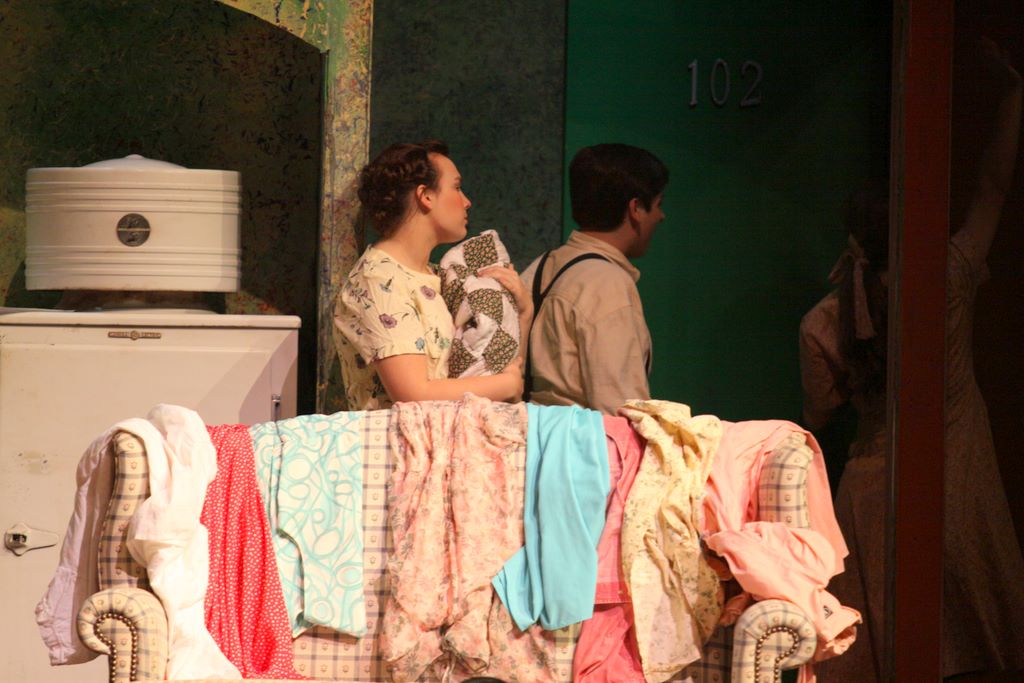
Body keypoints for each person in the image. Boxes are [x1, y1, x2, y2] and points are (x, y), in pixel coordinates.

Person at [801, 38, 1024, 681]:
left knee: (880, 658)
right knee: (973, 648)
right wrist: (1015, 92)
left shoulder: (823, 319)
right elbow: (993, 186)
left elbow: (820, 413)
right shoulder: (947, 278)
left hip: (873, 494)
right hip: (958, 479)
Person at [334, 141, 532, 410]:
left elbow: (497, 367)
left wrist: (523, 313)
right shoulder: (378, 279)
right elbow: (412, 393)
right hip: (399, 436)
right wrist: (504, 385)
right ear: (425, 196)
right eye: (457, 187)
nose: (467, 202)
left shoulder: (437, 276)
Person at [520, 143, 667, 415]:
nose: (661, 216)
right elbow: (621, 411)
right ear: (636, 208)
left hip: (533, 434)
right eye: (658, 204)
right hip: (580, 441)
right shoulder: (607, 284)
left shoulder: (542, 265)